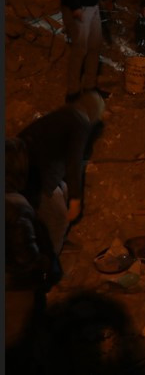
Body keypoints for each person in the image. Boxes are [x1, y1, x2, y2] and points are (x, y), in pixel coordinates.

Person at [18, 92, 104, 253]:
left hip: (20, 167)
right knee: (59, 219)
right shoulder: (81, 124)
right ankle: (48, 262)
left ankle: (48, 238)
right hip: (37, 177)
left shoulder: (63, 114)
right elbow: (74, 163)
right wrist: (75, 200)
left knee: (63, 191)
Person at [6, 138, 60, 355]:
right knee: (16, 346)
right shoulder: (16, 207)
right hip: (13, 290)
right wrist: (45, 264)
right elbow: (25, 258)